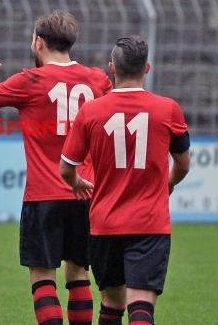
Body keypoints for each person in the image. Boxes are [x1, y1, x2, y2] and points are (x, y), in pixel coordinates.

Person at [0, 10, 113, 325]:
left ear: (39, 43)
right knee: (78, 273)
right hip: (85, 192)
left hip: (43, 194)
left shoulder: (30, 80)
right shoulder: (98, 79)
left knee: (43, 276)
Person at [59, 35, 190, 325]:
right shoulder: (168, 109)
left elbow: (67, 168)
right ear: (147, 68)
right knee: (141, 304)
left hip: (105, 224)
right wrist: (167, 185)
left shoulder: (91, 111)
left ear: (111, 68)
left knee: (111, 303)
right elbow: (183, 164)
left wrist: (76, 183)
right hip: (150, 223)